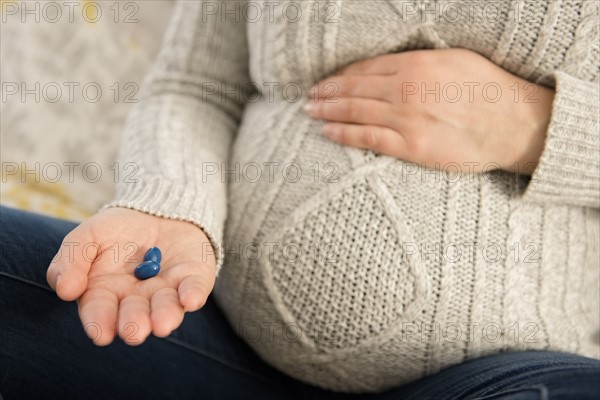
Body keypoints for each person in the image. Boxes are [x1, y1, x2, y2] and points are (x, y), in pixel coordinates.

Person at [1, 0, 599, 399]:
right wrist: (170, 203)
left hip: (506, 371)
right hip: (214, 332)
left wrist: (538, 127)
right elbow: (195, 84)